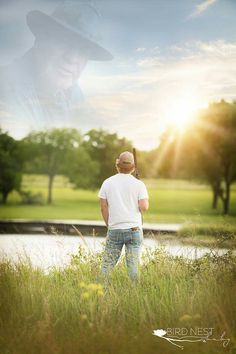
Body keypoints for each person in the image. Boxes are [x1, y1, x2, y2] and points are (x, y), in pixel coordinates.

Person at [0, 0, 112, 139]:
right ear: (41, 38)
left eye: (83, 51)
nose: (72, 58)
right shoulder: (6, 93)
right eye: (65, 41)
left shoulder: (71, 91)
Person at [98, 151, 149, 282]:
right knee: (133, 265)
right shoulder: (139, 184)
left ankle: (98, 292)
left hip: (115, 230)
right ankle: (135, 293)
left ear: (118, 165)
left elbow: (103, 207)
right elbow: (143, 207)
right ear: (133, 167)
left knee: (107, 265)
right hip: (134, 230)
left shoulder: (107, 182)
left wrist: (109, 225)